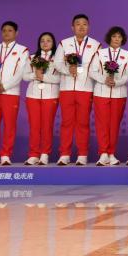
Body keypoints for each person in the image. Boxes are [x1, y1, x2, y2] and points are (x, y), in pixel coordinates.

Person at [53, 14, 100, 166]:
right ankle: (64, 154)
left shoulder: (96, 45)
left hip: (85, 89)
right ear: (72, 27)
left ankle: (82, 154)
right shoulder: (64, 43)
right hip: (66, 88)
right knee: (66, 123)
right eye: (78, 24)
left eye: (84, 24)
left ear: (88, 27)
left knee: (83, 123)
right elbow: (57, 63)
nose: (81, 26)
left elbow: (96, 67)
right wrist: (68, 69)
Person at [0, 21, 29, 166]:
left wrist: (5, 86)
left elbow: (21, 72)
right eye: (4, 30)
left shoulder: (23, 50)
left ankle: (6, 154)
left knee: (9, 125)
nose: (7, 33)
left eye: (10, 30)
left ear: (16, 33)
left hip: (10, 93)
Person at [90, 26, 128, 166]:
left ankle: (111, 153)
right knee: (102, 124)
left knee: (114, 125)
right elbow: (92, 71)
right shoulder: (100, 53)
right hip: (101, 92)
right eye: (114, 36)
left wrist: (117, 82)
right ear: (109, 38)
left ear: (123, 39)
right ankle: (103, 153)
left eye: (119, 37)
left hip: (119, 94)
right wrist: (105, 79)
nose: (116, 39)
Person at [22, 32, 60, 165]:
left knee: (47, 126)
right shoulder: (32, 57)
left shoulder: (58, 59)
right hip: (33, 95)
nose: (45, 43)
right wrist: (35, 75)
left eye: (48, 40)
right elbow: (25, 76)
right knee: (34, 126)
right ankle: (33, 154)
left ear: (53, 43)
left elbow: (60, 78)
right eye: (42, 40)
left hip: (51, 95)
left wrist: (44, 77)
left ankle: (44, 154)